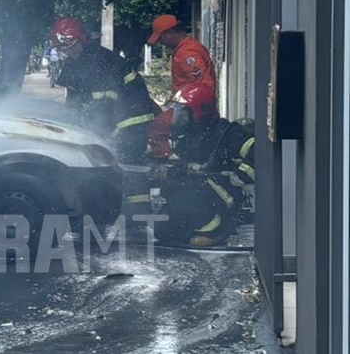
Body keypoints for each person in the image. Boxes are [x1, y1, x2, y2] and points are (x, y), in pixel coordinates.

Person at [146, 83, 255, 247]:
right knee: (162, 227)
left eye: (181, 112)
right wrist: (166, 170)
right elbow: (186, 166)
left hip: (223, 196)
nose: (176, 116)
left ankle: (216, 230)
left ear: (198, 111)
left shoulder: (227, 133)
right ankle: (194, 228)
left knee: (188, 193)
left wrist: (240, 175)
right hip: (198, 193)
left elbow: (257, 150)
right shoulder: (189, 136)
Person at [51, 18, 157, 163]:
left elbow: (102, 104)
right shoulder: (74, 61)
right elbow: (73, 98)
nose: (66, 50)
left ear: (81, 40)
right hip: (114, 114)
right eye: (62, 47)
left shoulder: (98, 60)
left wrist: (94, 133)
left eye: (69, 45)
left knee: (123, 164)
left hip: (131, 118)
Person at [146, 14, 218, 159]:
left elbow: (202, 86)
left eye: (161, 38)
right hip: (189, 108)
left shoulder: (187, 53)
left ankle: (167, 161)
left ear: (169, 34)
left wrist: (196, 114)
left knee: (158, 127)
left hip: (191, 109)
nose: (161, 43)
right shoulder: (186, 49)